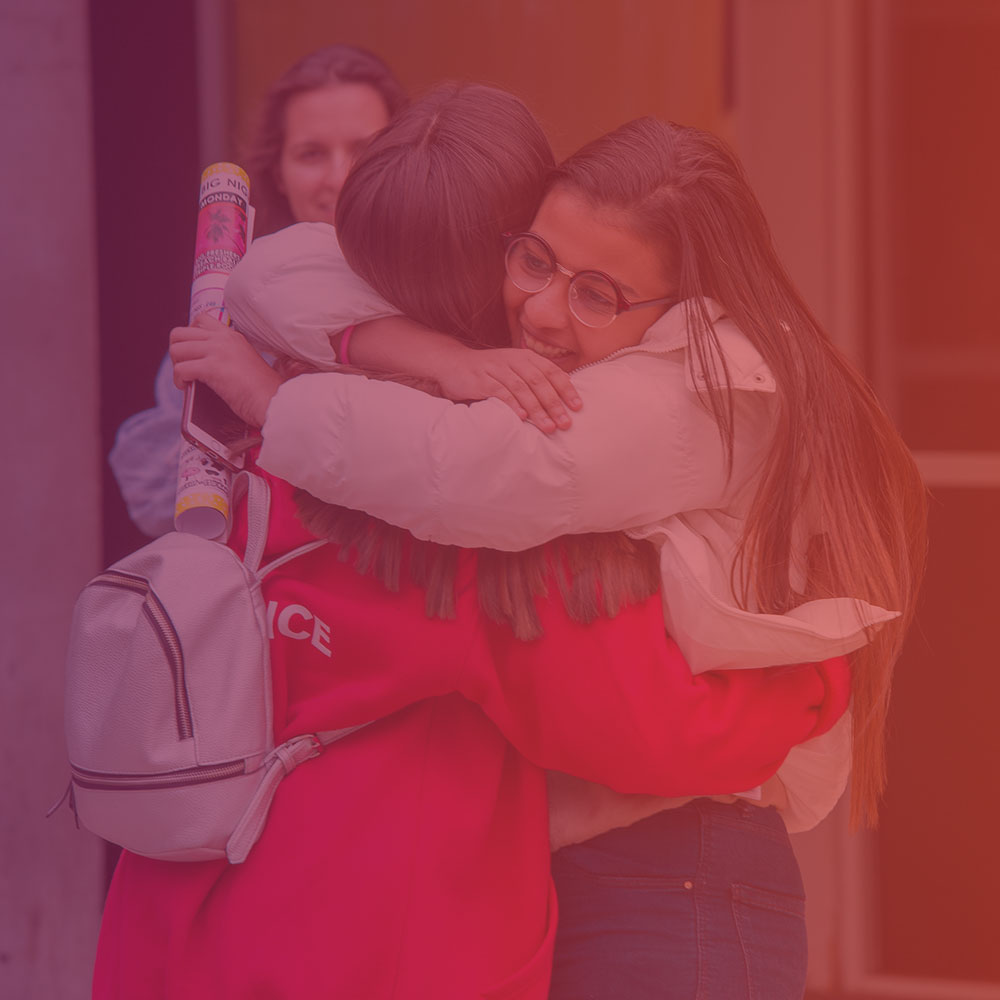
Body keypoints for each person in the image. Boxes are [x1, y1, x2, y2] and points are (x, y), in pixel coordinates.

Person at [95, 84, 851, 1000]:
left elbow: (280, 277)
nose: (539, 312)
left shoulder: (298, 448)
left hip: (190, 923)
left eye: (594, 290)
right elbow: (651, 721)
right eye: (532, 261)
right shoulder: (459, 530)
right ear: (503, 250)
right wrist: (813, 687)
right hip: (373, 934)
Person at [109, 45, 406, 538]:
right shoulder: (230, 305)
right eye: (312, 154)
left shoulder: (437, 287)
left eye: (363, 149)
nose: (339, 177)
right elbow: (164, 503)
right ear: (278, 175)